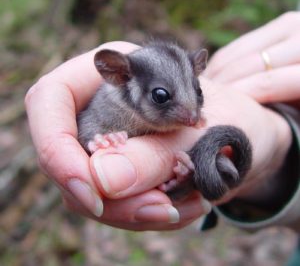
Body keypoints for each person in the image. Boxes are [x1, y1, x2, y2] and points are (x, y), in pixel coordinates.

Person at [25, 12, 299, 235]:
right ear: (120, 75)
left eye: (197, 94)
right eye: (162, 96)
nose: (191, 116)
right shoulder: (110, 106)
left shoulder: (192, 116)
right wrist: (97, 142)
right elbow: (86, 135)